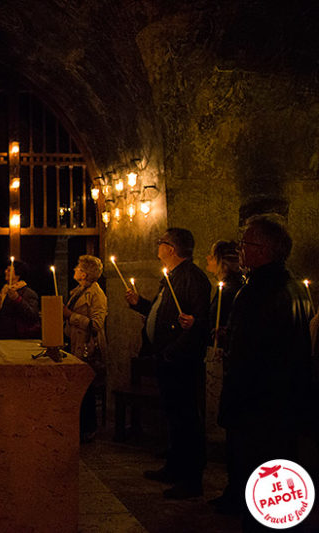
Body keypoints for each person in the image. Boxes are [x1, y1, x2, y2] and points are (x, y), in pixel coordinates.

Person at [218, 215, 313, 531]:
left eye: (245, 243)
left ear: (263, 250)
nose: (241, 249)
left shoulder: (256, 291)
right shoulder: (297, 287)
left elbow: (248, 354)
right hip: (287, 403)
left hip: (257, 407)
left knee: (258, 485)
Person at [125, 228, 211, 499]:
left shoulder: (193, 279)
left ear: (171, 249)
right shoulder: (171, 277)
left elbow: (198, 323)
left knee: (187, 419)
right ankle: (174, 467)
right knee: (174, 418)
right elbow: (165, 313)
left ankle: (191, 478)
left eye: (161, 242)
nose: (157, 245)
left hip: (181, 361)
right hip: (167, 358)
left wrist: (172, 352)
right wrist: (141, 305)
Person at [178, 240, 243, 513]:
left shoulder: (232, 290)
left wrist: (212, 329)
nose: (207, 257)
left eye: (211, 255)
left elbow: (236, 327)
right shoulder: (229, 289)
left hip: (231, 369)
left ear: (223, 260)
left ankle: (237, 491)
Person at [63, 255, 107, 443]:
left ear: (84, 273)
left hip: (87, 347)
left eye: (78, 267)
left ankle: (89, 428)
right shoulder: (79, 291)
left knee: (86, 389)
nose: (74, 270)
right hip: (76, 344)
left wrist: (70, 315)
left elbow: (96, 324)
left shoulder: (96, 295)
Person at [0, 259, 40, 338]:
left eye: (9, 270)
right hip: (4, 335)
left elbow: (32, 315)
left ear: (18, 274)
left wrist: (17, 299)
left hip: (17, 336)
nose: (5, 271)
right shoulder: (4, 291)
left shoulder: (27, 293)